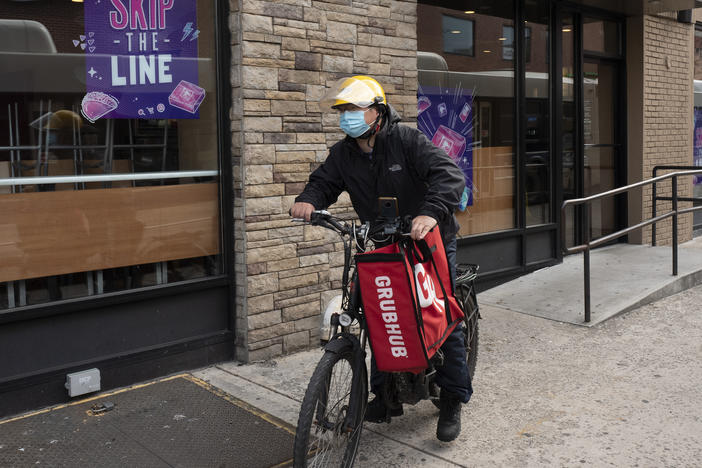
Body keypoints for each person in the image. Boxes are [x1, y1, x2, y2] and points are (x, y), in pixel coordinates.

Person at [290, 75, 472, 442]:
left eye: (355, 109)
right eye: (344, 111)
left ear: (378, 111)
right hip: (382, 241)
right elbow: (324, 182)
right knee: (379, 314)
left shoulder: (406, 141)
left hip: (429, 239)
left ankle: (452, 398)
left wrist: (429, 213)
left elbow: (449, 176)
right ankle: (384, 397)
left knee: (440, 314)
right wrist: (309, 199)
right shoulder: (344, 153)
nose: (348, 117)